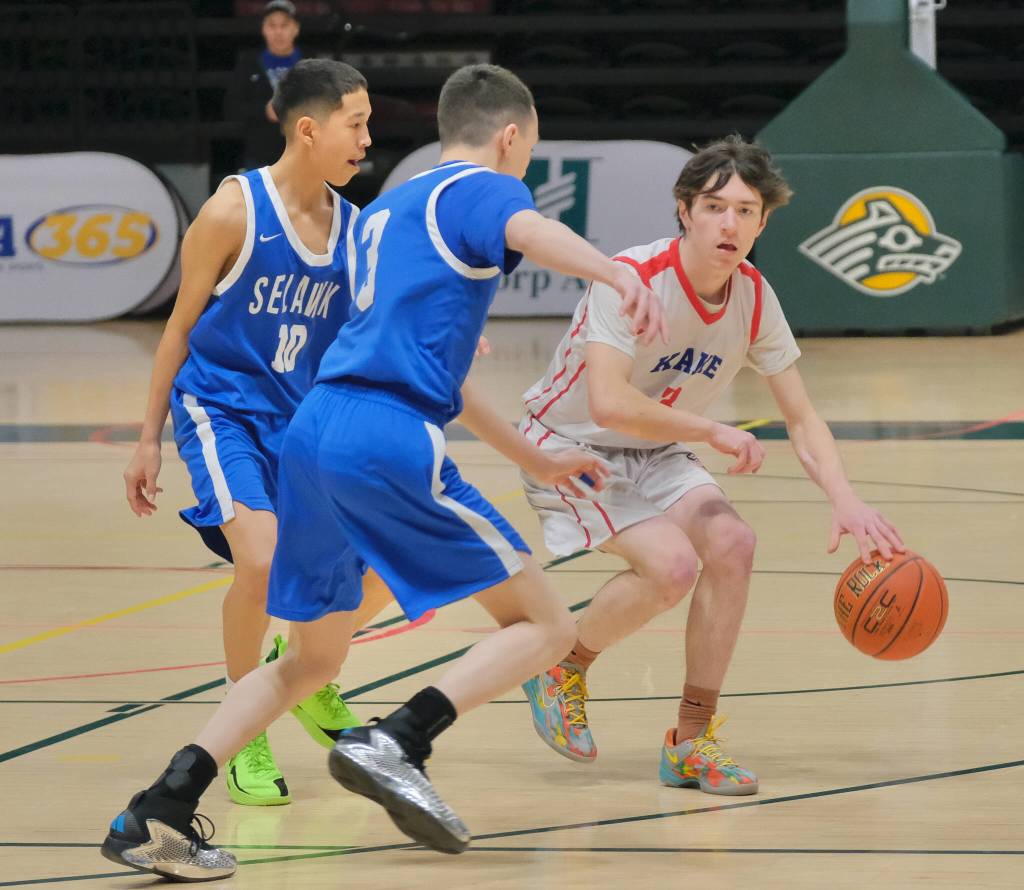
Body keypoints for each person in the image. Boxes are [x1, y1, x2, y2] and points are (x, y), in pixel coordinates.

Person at [101, 63, 666, 881]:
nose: (525, 171)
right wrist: (617, 272)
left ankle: (156, 809)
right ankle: (398, 740)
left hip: (313, 433)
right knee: (545, 627)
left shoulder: (379, 217)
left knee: (311, 661)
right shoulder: (476, 187)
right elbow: (530, 231)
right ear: (509, 138)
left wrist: (533, 456)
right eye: (528, 153)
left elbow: (439, 372)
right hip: (384, 436)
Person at [518, 135, 906, 795]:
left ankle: (693, 744)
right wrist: (709, 429)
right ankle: (563, 665)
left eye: (746, 211)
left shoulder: (754, 298)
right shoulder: (631, 278)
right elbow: (610, 404)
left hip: (658, 447)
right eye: (715, 207)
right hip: (566, 447)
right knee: (671, 566)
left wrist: (844, 497)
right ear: (684, 211)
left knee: (732, 542)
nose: (730, 223)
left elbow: (803, 417)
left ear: (764, 222)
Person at [121, 58, 392, 812]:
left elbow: (371, 332)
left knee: (391, 560)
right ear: (309, 129)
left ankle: (297, 669)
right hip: (224, 411)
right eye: (357, 122)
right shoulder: (233, 212)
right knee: (265, 565)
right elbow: (176, 331)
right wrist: (147, 438)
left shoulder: (355, 228)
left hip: (303, 425)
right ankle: (245, 725)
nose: (368, 138)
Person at [227, 1, 303, 171]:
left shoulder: (310, 64)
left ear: (295, 28)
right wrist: (264, 112)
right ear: (263, 29)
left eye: (284, 25)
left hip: (304, 154)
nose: (278, 32)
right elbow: (231, 107)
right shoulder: (249, 65)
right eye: (272, 25)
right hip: (260, 156)